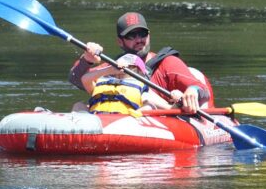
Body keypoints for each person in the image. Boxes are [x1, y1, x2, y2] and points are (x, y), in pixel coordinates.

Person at [69, 12, 214, 113]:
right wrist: (87, 59)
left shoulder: (168, 63)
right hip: (112, 119)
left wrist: (192, 91)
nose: (139, 40)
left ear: (149, 35)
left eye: (142, 34)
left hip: (150, 122)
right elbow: (77, 80)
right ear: (120, 41)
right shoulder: (115, 66)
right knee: (79, 106)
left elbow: (202, 89)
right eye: (131, 35)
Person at [78, 54, 174, 115]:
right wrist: (108, 70)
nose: (124, 71)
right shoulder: (102, 84)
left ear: (139, 73)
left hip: (126, 121)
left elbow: (169, 108)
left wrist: (176, 99)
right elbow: (85, 79)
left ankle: (133, 119)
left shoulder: (141, 88)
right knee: (79, 105)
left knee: (150, 106)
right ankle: (76, 129)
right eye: (123, 68)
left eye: (131, 68)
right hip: (97, 121)